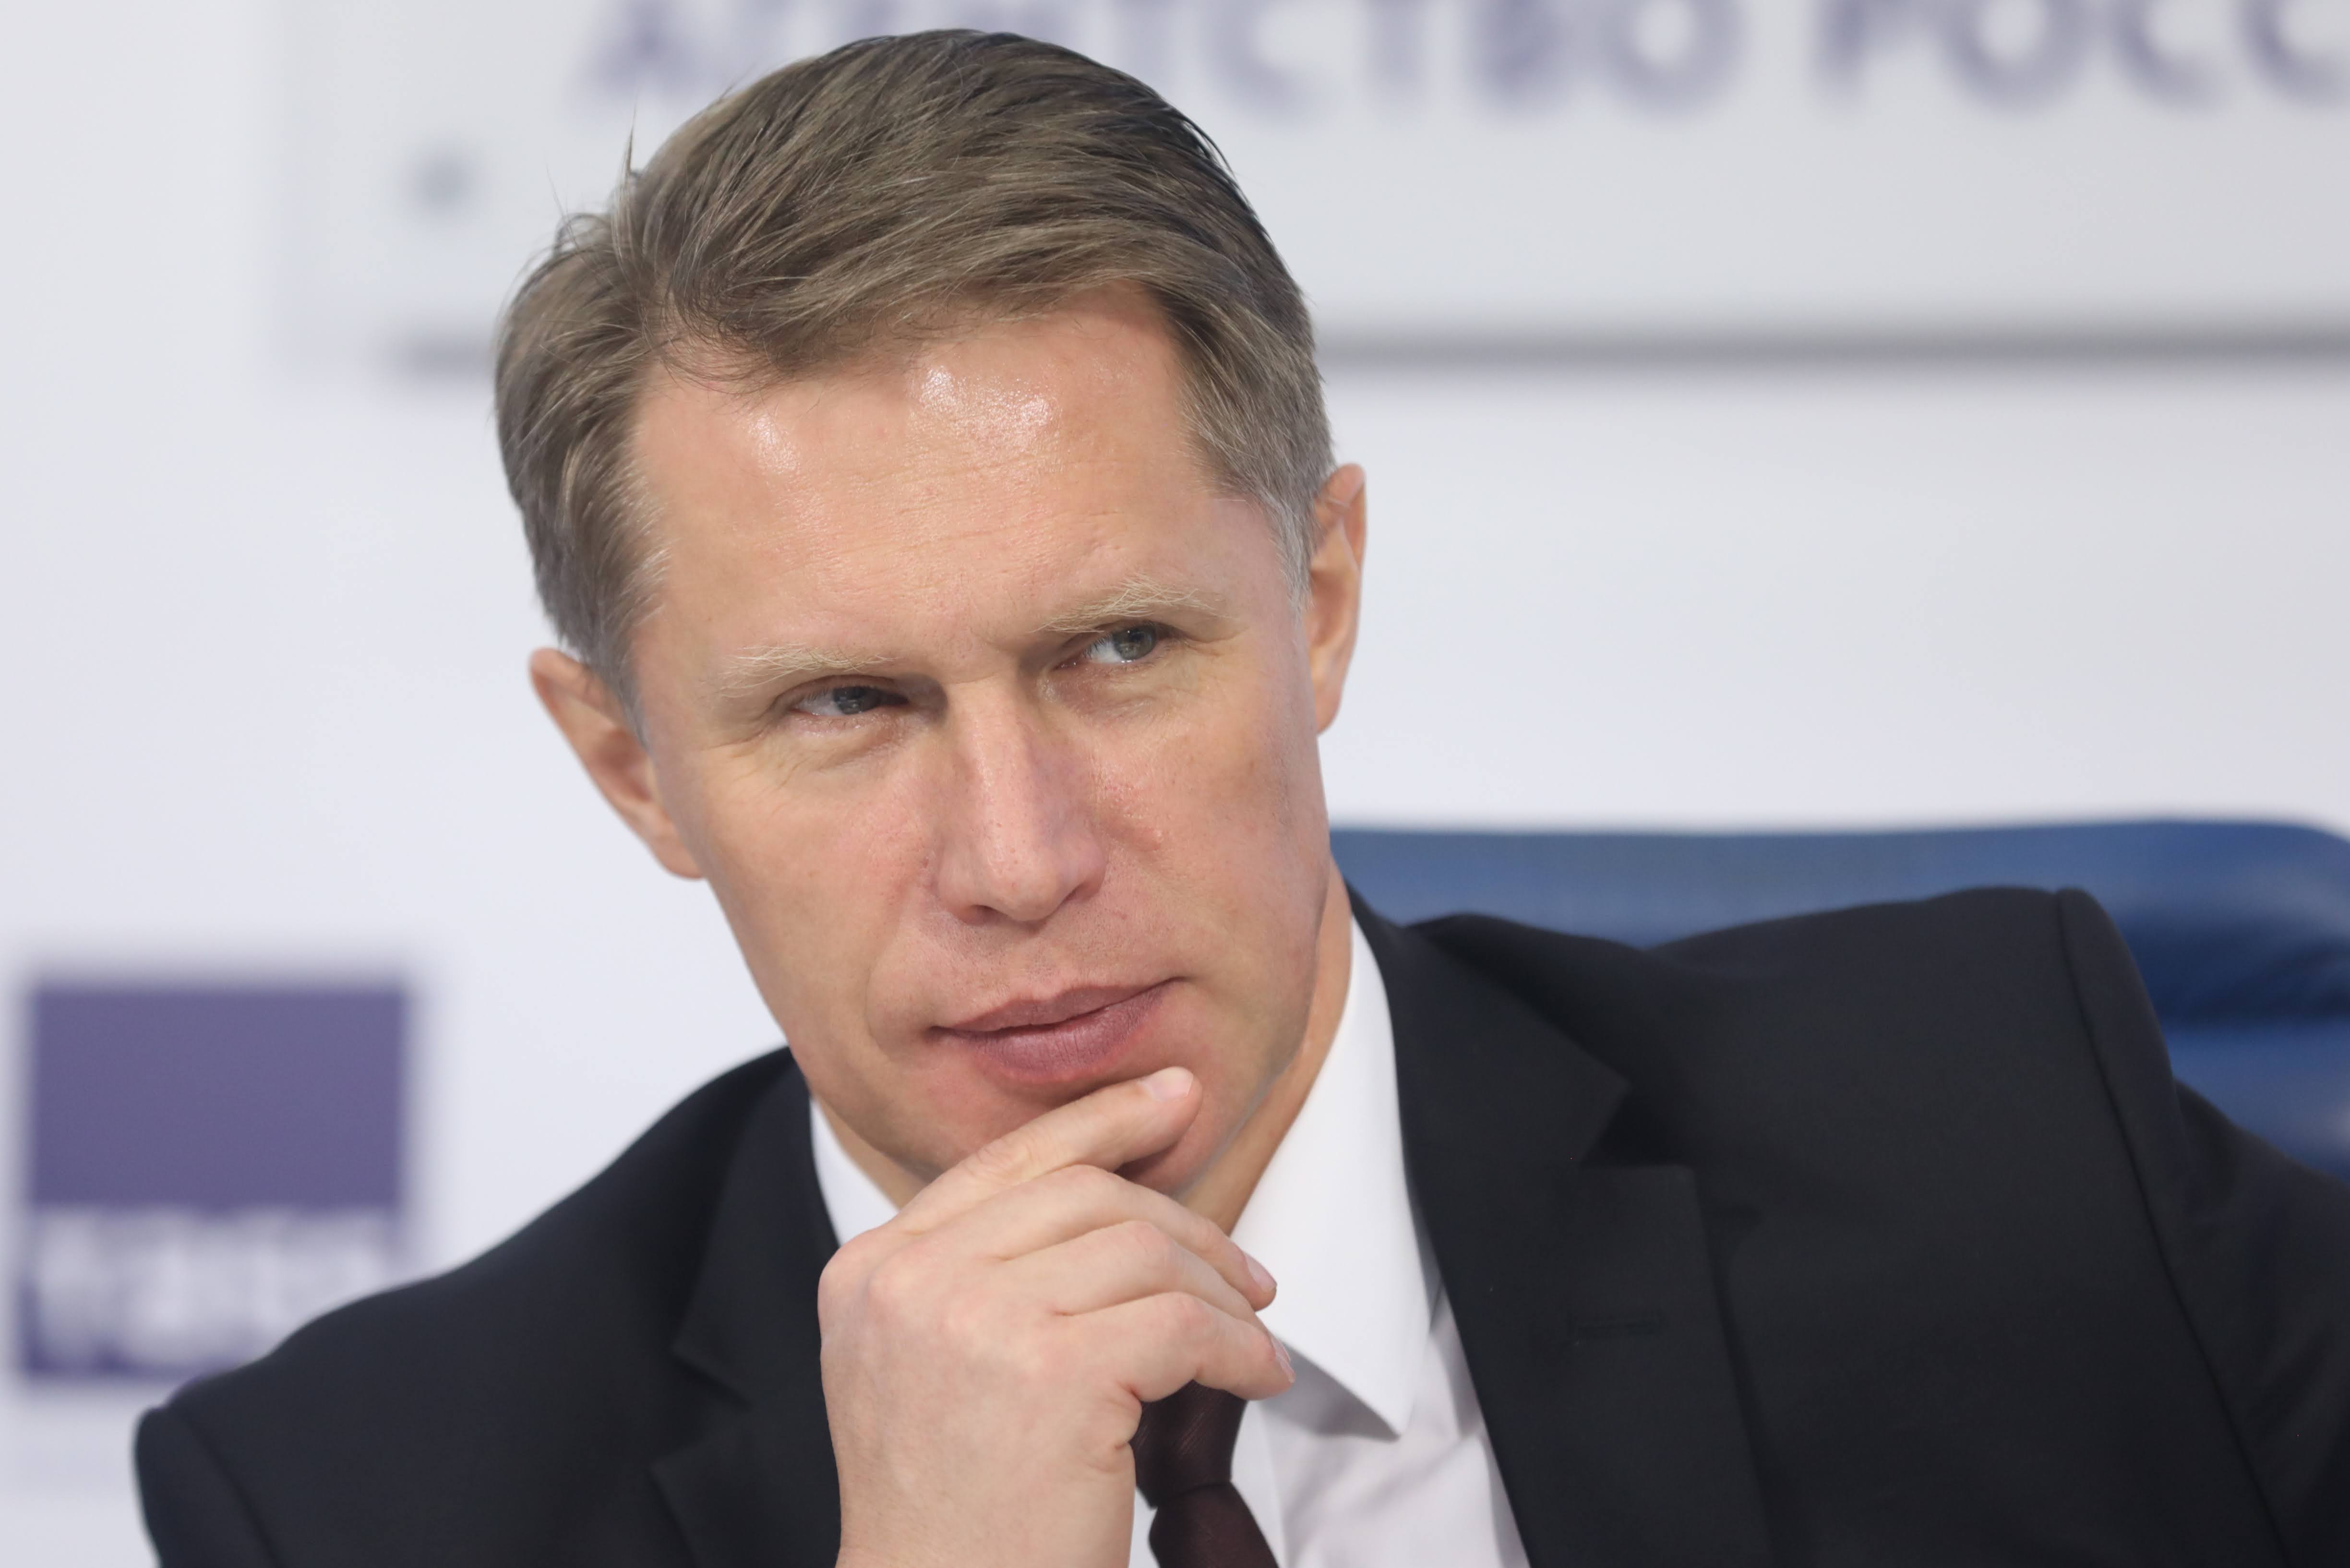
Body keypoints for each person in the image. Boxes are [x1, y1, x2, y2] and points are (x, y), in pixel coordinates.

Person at [135, 30, 2350, 1568]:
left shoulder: (2017, 1150)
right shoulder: (364, 1500)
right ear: (634, 767)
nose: (1019, 859)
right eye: (847, 704)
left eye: (1117, 650)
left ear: (1321, 598)